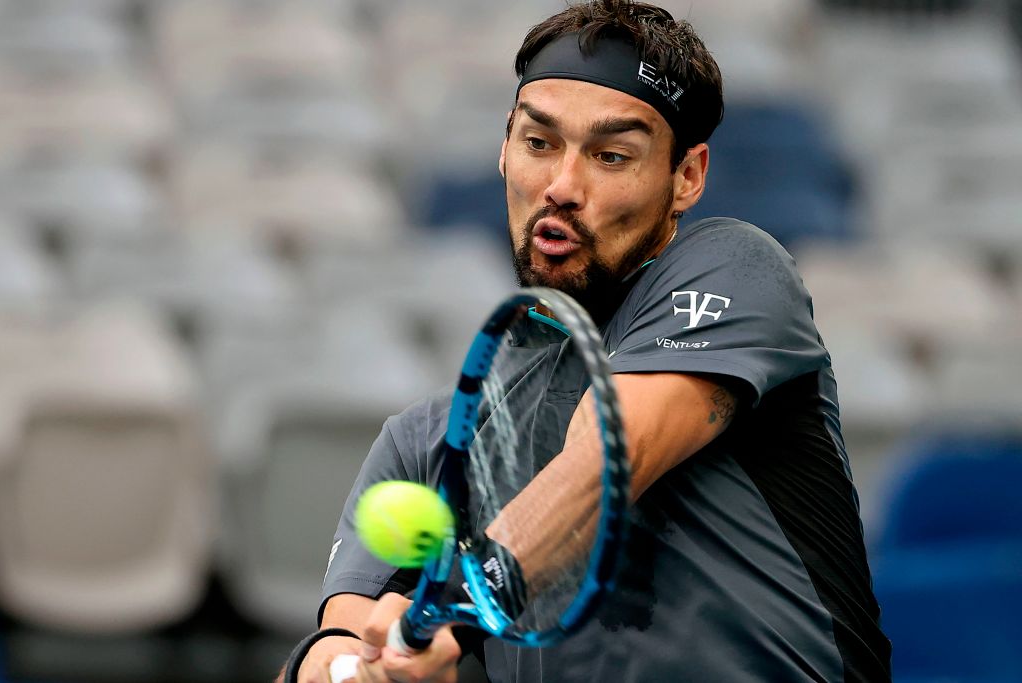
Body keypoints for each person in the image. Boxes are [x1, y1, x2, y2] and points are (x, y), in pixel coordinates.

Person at [291, 1, 892, 681]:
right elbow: (332, 639)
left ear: (686, 177)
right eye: (538, 142)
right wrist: (360, 667)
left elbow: (610, 455)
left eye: (611, 155)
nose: (562, 186)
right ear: (504, 148)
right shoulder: (426, 443)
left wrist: (461, 598)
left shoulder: (740, 269)